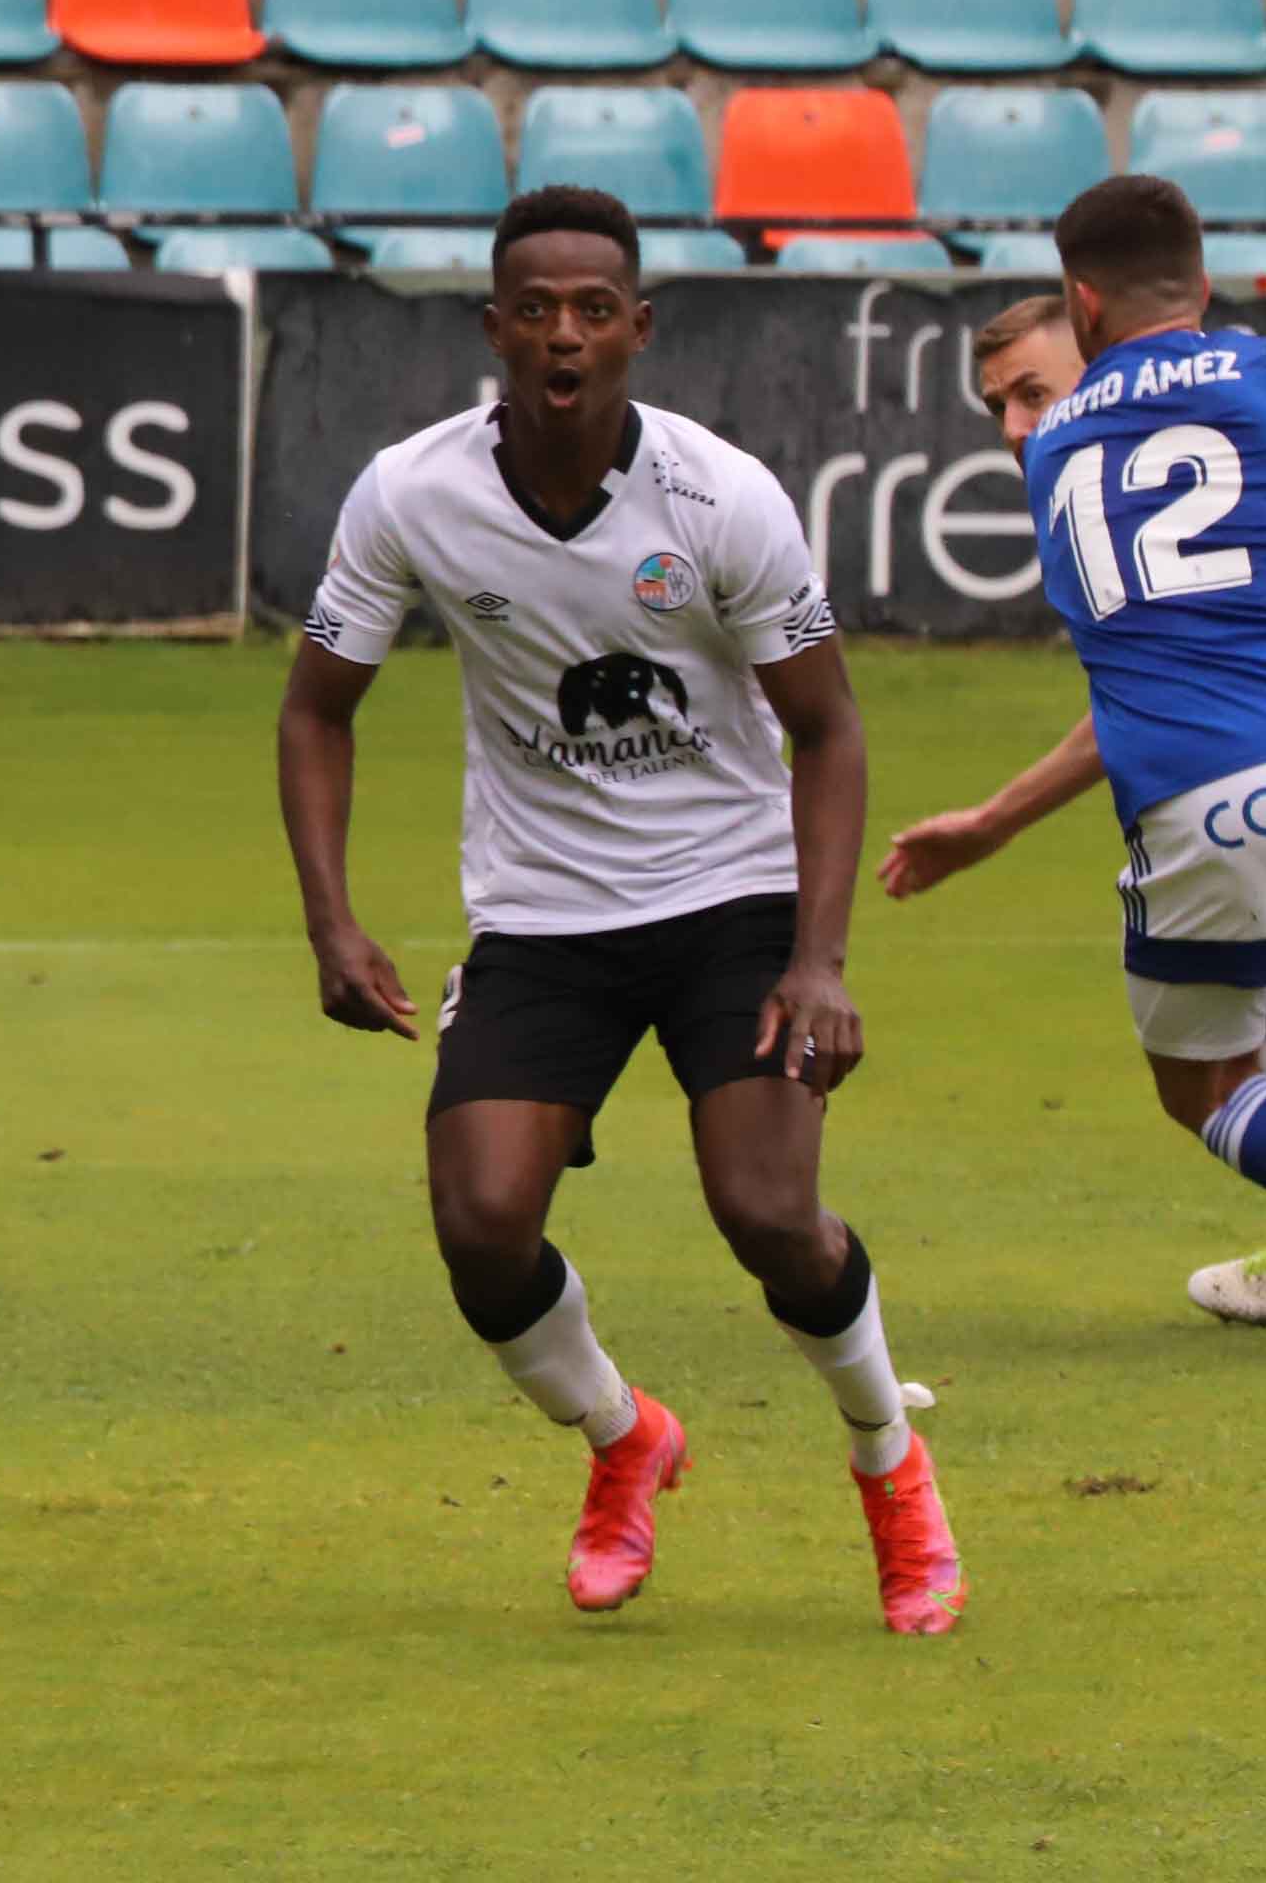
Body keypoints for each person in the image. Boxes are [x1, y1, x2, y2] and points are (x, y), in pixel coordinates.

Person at [277, 185, 964, 1637]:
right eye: (535, 309)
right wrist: (331, 921)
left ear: (640, 330)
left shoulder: (724, 498)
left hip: (731, 896)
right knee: (480, 1226)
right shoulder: (412, 491)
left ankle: (889, 1469)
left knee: (771, 1213)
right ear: (494, 330)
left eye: (595, 309)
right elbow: (315, 708)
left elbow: (829, 731)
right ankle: (623, 1437)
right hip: (542, 915)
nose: (564, 335)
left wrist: (821, 957)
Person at [884, 295, 1266, 1325]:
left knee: (1217, 1026)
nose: (1016, 426)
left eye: (1031, 391)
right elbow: (1136, 703)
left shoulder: (1183, 424)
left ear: (1097, 338)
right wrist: (992, 819)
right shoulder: (1203, 411)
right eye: (997, 407)